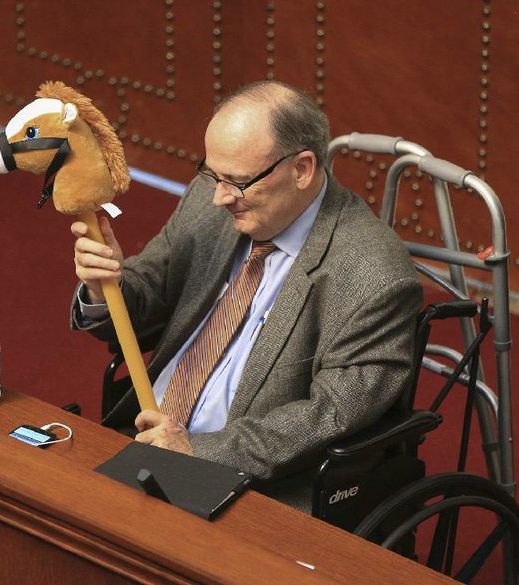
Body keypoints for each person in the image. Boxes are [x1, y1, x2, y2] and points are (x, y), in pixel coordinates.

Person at [69, 80, 423, 511]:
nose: (218, 197)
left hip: (248, 483)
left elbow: (330, 413)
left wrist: (199, 453)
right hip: (142, 433)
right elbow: (150, 294)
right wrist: (105, 284)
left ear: (302, 169)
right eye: (212, 174)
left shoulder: (374, 275)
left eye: (235, 182)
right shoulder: (213, 196)